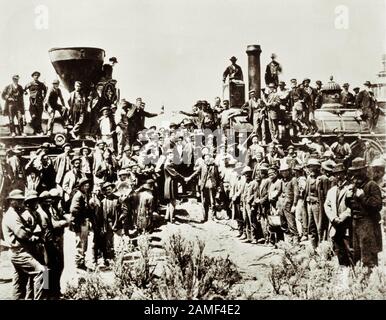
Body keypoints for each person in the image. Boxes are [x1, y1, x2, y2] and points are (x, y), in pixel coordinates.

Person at [2, 190, 46, 300]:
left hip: (19, 252)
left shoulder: (16, 214)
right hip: (19, 252)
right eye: (19, 201)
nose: (22, 203)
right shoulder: (12, 215)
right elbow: (22, 234)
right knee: (42, 271)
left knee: (19, 283)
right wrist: (33, 237)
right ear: (12, 202)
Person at [346, 158, 382, 268]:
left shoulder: (372, 185)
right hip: (355, 223)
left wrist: (362, 197)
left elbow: (377, 205)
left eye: (358, 170)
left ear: (364, 170)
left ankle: (372, 282)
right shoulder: (355, 186)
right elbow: (351, 205)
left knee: (368, 256)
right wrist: (347, 198)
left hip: (368, 224)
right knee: (356, 254)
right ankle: (360, 281)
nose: (356, 174)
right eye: (354, 171)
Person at [324, 163, 353, 266]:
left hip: (346, 224)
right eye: (336, 174)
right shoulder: (331, 191)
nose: (338, 177)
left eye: (341, 174)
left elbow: (353, 205)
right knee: (338, 250)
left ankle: (354, 275)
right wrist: (333, 218)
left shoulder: (350, 188)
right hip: (335, 225)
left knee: (350, 250)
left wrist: (343, 217)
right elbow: (327, 206)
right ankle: (343, 274)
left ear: (345, 174)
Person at [187, 154, 219, 222]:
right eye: (205, 158)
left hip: (212, 186)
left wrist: (217, 186)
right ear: (204, 159)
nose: (207, 159)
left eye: (208, 158)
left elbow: (217, 176)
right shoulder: (202, 166)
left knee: (212, 202)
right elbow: (196, 173)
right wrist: (189, 178)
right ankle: (205, 217)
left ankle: (213, 216)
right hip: (204, 186)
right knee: (204, 202)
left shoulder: (214, 166)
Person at [70, 177, 92, 270]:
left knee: (84, 242)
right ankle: (79, 263)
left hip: (83, 221)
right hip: (79, 222)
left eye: (88, 185)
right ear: (81, 186)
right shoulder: (78, 195)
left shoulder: (84, 194)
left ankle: (81, 261)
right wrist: (81, 218)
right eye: (85, 185)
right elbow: (74, 210)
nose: (87, 187)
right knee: (80, 243)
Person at [304, 158, 322, 248]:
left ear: (317, 168)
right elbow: (306, 192)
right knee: (311, 226)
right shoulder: (308, 178)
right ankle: (313, 247)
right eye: (310, 167)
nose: (311, 169)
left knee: (319, 226)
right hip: (309, 205)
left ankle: (321, 247)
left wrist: (316, 199)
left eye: (313, 167)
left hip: (317, 205)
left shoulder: (320, 179)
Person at [163, 149, 185, 223]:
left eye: (172, 155)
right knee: (173, 201)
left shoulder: (169, 163)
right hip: (170, 184)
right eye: (170, 155)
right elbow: (175, 173)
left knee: (170, 202)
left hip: (170, 183)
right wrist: (184, 178)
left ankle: (167, 217)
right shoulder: (168, 165)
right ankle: (172, 218)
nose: (172, 156)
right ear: (167, 156)